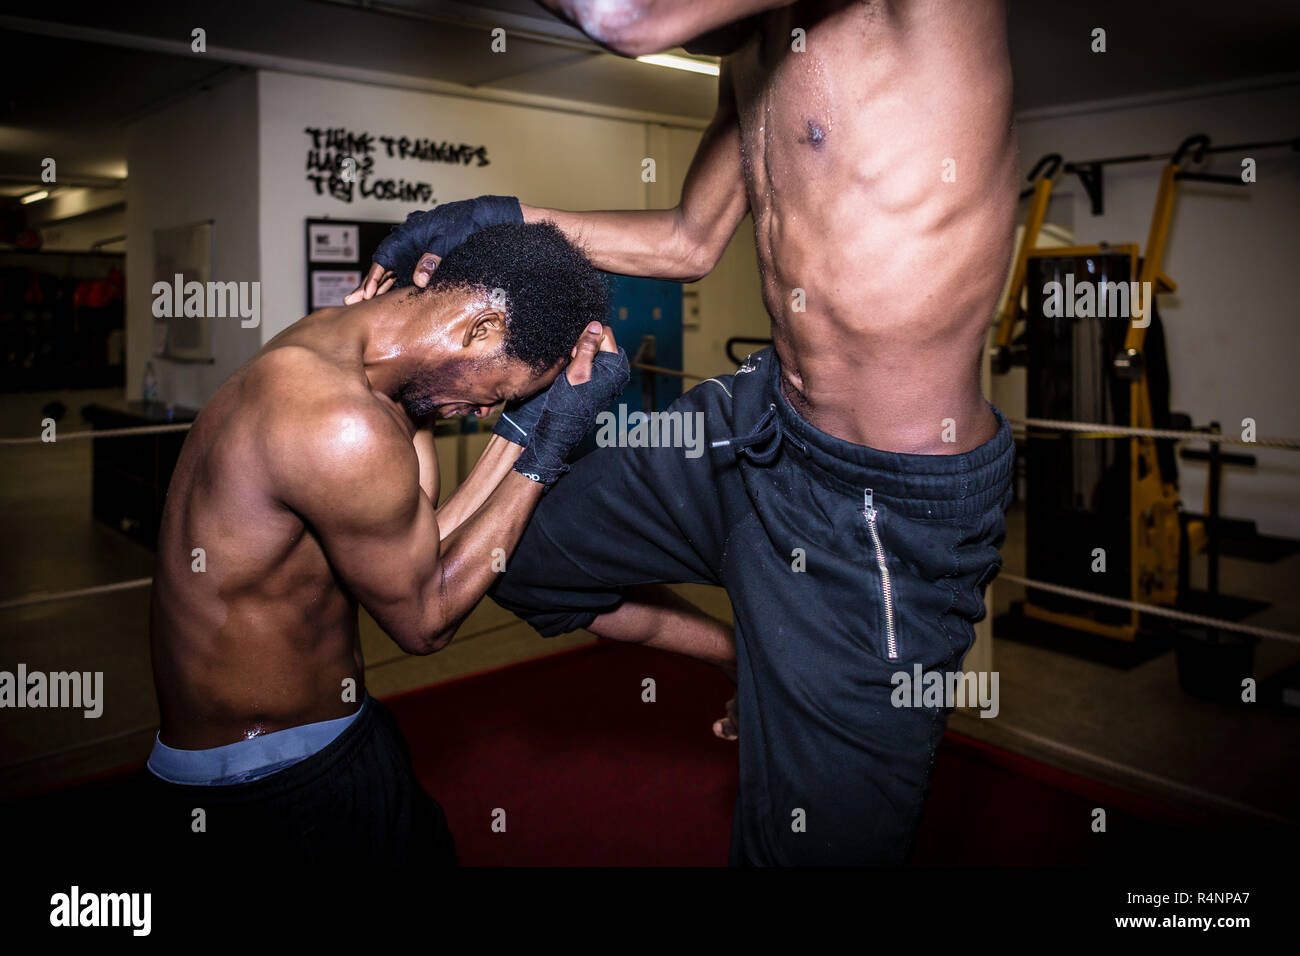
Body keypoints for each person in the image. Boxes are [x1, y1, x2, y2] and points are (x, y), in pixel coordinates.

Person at [349, 0, 1017, 865]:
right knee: (525, 557)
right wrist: (505, 214)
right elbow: (689, 241)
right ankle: (750, 659)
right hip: (755, 423)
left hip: (876, 508)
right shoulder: (752, 52)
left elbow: (625, 16)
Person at [145, 221, 628, 865]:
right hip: (275, 788)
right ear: (479, 330)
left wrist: (528, 424)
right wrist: (550, 451)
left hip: (321, 743)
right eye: (499, 396)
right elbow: (425, 622)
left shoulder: (335, 348)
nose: (486, 411)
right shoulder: (340, 422)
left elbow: (420, 539)